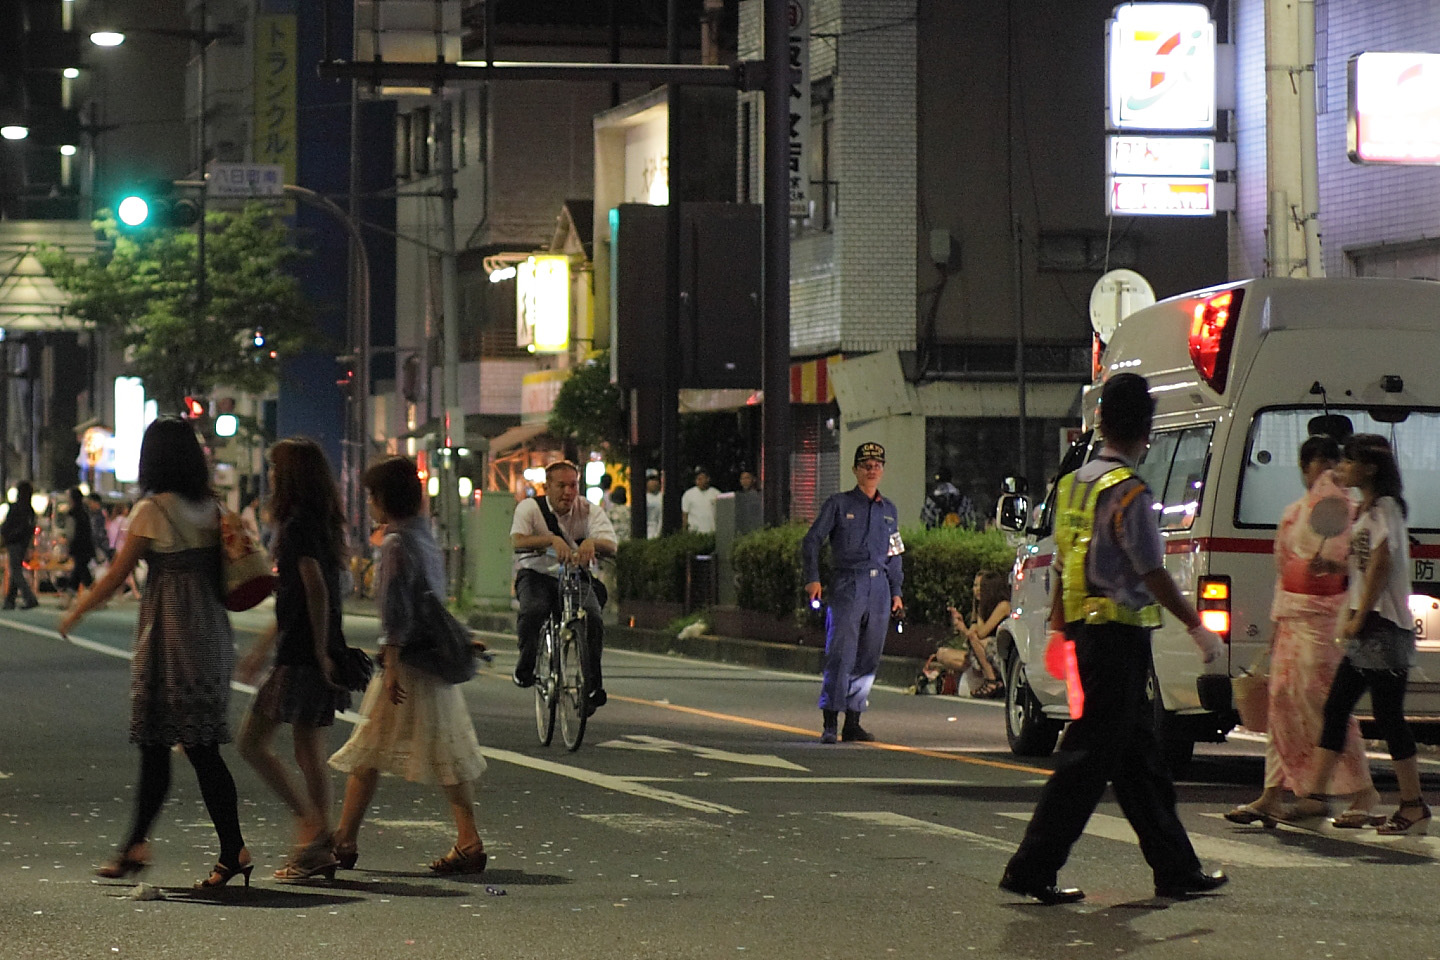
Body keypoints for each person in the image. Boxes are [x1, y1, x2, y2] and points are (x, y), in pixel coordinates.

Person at [999, 373, 1228, 905]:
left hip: (1085, 632)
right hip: (1118, 640)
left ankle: (1175, 868)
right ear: (1145, 430)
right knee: (1086, 760)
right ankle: (1032, 867)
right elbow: (1151, 570)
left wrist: (1059, 629)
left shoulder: (1075, 484)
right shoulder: (1129, 491)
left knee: (1137, 762)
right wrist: (1197, 627)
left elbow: (1062, 560)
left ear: (1100, 422)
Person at [59, 418, 250, 889]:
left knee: (165, 746)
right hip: (209, 635)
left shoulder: (152, 510)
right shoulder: (212, 507)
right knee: (196, 746)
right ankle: (140, 845)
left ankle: (227, 848)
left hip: (171, 638)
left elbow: (115, 574)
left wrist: (76, 611)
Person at [329, 456, 490, 874]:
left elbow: (395, 610)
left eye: (371, 496)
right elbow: (432, 599)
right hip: (432, 658)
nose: (369, 504)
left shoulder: (396, 543)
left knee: (369, 749)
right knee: (444, 750)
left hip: (409, 661)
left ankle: (344, 840)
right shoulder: (424, 536)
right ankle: (468, 838)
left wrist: (393, 663)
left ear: (386, 498)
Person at [1224, 435, 1379, 829]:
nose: (1326, 473)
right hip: (1293, 616)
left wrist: (1333, 571)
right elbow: (1283, 568)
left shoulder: (1351, 512)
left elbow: (1361, 566)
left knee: (1325, 704)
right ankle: (1274, 792)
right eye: (1320, 465)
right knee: (1281, 705)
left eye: (1333, 465)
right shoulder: (1296, 513)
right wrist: (1277, 625)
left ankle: (1361, 790)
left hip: (1326, 619)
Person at [1287, 434, 1429, 835]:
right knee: (1337, 707)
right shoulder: (1365, 510)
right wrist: (1333, 571)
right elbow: (1365, 564)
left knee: (1388, 717)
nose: (1341, 469)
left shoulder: (1385, 508)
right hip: (1368, 626)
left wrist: (1358, 616)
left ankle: (1414, 804)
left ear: (1369, 468)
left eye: (1348, 462)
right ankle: (1315, 794)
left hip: (1383, 627)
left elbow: (1382, 564)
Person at [235, 438, 351, 881]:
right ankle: (317, 848)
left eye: (274, 469)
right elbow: (300, 594)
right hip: (309, 646)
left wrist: (317, 650)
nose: (270, 476)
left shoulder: (297, 525)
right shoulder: (321, 522)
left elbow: (313, 587)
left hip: (303, 653)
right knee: (308, 749)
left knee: (251, 742)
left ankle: (312, 825)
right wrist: (267, 645)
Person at [802, 442, 905, 744]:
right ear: (855, 470)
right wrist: (813, 578)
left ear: (882, 470)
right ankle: (831, 720)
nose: (872, 469)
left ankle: (854, 719)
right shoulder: (839, 504)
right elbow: (812, 541)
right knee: (841, 653)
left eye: (877, 465)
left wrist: (897, 591)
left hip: (880, 589)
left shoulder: (889, 510)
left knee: (869, 656)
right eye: (866, 465)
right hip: (849, 583)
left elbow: (895, 553)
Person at [510, 459, 618, 713]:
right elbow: (517, 540)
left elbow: (611, 544)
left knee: (592, 617)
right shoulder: (530, 508)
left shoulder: (587, 509)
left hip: (575, 577)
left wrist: (592, 543)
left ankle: (592, 687)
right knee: (534, 611)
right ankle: (525, 666)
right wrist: (550, 540)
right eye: (561, 486)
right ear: (547, 487)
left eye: (573, 486)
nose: (568, 492)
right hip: (536, 574)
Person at [932, 570, 1010, 698]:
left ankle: (992, 680)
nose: (977, 590)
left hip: (1000, 654)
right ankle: (985, 675)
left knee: (976, 640)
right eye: (975, 586)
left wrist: (979, 614)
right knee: (941, 654)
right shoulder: (982, 607)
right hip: (983, 655)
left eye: (981, 586)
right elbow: (971, 636)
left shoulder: (1003, 606)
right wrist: (962, 626)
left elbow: (981, 633)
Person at [1, 480, 38, 609]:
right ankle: (9, 600)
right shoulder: (30, 510)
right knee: (16, 569)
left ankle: (30, 598)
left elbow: (7, 525)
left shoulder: (15, 508)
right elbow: (31, 529)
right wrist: (30, 546)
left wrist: (4, 536)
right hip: (23, 543)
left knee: (16, 571)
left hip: (14, 542)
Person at [64, 486, 96, 597]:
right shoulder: (85, 513)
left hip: (77, 546)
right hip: (87, 546)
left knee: (81, 571)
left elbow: (70, 533)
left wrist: (68, 546)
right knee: (80, 571)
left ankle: (96, 594)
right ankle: (70, 594)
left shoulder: (72, 513)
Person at [681, 469, 720, 534]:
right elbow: (685, 515)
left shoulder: (716, 494)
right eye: (697, 479)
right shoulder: (688, 494)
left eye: (701, 479)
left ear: (708, 479)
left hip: (712, 532)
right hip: (694, 533)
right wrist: (684, 532)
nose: (699, 481)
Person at [645, 470, 663, 539]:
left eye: (656, 480)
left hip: (658, 531)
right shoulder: (642, 498)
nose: (654, 483)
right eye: (651, 480)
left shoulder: (661, 497)